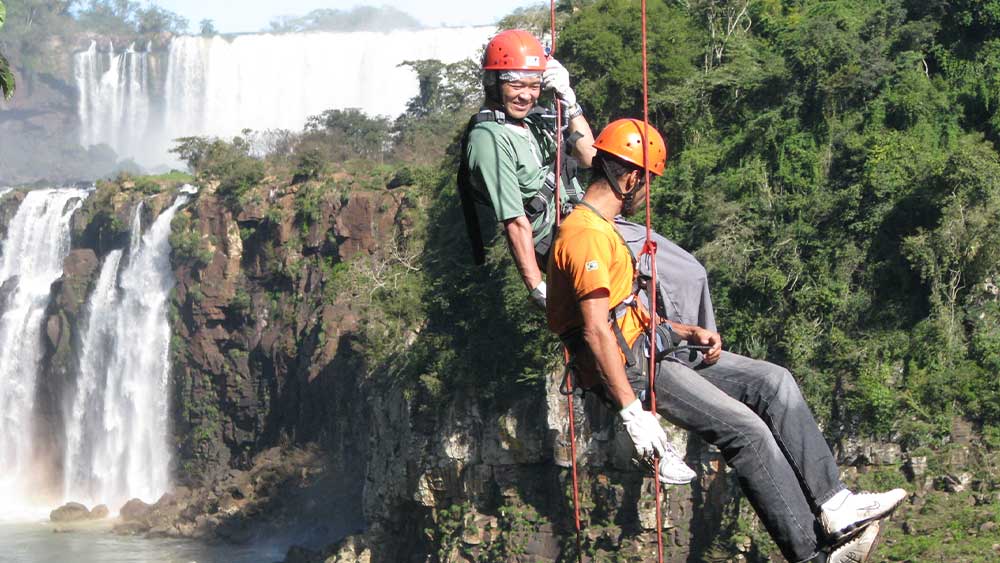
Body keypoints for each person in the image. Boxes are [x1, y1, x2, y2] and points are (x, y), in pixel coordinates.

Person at [545, 118, 905, 563]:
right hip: (635, 369)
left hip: (653, 346)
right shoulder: (585, 236)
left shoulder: (604, 230)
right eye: (647, 183)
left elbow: (625, 313)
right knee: (747, 432)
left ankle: (835, 504)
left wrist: (686, 330)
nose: (646, 195)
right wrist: (632, 413)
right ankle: (814, 555)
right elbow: (598, 331)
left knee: (773, 382)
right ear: (632, 176)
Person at [458, 29, 696, 484]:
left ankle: (671, 365)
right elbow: (515, 221)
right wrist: (535, 285)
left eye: (533, 84)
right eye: (515, 84)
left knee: (683, 274)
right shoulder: (490, 139)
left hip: (591, 218)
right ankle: (654, 402)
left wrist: (568, 96)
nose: (526, 94)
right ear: (493, 82)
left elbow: (588, 156)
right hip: (569, 238)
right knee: (669, 277)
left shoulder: (541, 119)